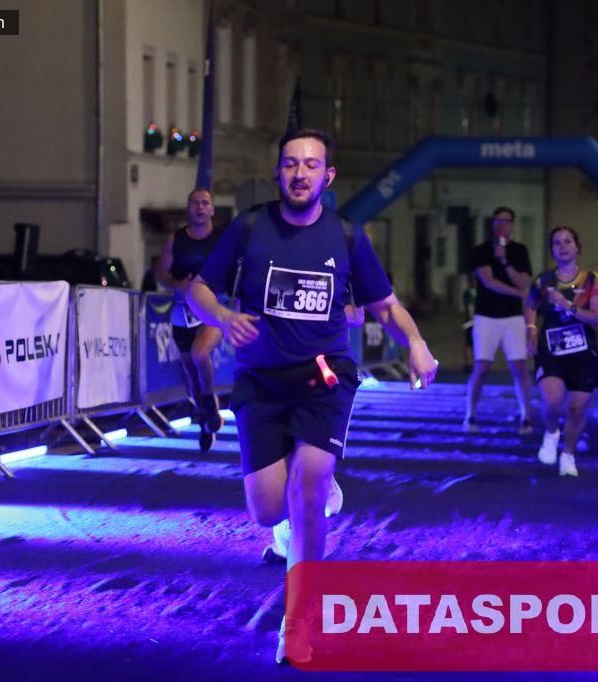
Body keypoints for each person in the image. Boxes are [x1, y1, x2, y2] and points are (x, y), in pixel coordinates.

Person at [186, 129, 438, 664]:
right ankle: (305, 494)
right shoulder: (249, 227)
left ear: (328, 176)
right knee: (266, 509)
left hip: (324, 378)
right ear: (278, 173)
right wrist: (225, 317)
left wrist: (416, 343)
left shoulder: (346, 235)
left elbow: (386, 306)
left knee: (308, 486)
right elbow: (197, 291)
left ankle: (297, 623)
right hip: (260, 382)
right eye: (290, 164)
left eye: (311, 165)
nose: (300, 173)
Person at [525, 226, 598, 477]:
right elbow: (530, 305)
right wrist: (530, 329)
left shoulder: (592, 280)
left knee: (576, 410)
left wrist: (568, 306)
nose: (563, 247)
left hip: (583, 352)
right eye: (557, 243)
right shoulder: (543, 281)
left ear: (577, 246)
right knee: (552, 400)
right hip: (551, 350)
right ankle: (551, 433)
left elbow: (597, 317)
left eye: (568, 241)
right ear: (551, 250)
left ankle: (568, 454)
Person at [156, 188, 226, 451]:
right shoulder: (175, 240)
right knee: (191, 376)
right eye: (195, 203)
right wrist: (178, 284)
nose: (200, 207)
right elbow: (161, 274)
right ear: (188, 209)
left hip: (212, 308)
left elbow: (236, 267)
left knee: (200, 353)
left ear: (212, 209)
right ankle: (205, 419)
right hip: (182, 311)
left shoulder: (222, 239)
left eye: (205, 203)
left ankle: (209, 402)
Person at [464, 206, 534, 435]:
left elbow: (524, 281)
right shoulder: (481, 250)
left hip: (513, 318)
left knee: (520, 367)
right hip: (486, 316)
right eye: (496, 220)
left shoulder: (519, 251)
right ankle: (470, 414)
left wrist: (504, 261)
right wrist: (519, 294)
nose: (500, 224)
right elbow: (489, 281)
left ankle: (526, 417)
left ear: (512, 224)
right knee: (482, 368)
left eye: (505, 220)